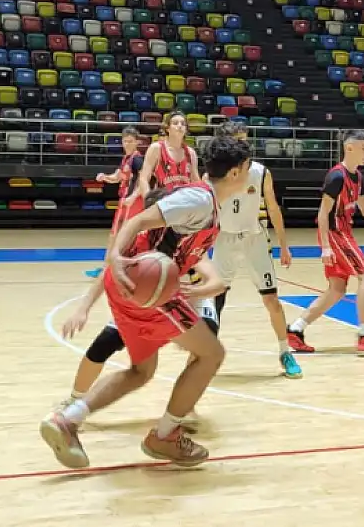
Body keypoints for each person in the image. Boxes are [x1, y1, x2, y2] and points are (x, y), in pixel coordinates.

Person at [41, 134, 253, 468]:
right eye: (249, 167)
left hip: (132, 288)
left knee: (142, 371)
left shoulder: (207, 206)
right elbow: (138, 219)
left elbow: (200, 264)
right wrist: (114, 255)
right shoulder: (199, 199)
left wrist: (203, 288)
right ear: (236, 172)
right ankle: (165, 436)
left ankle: (67, 420)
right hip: (146, 288)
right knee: (212, 353)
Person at [286, 131, 364, 353]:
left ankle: (296, 329)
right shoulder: (337, 176)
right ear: (349, 148)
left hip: (343, 233)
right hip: (334, 234)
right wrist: (326, 247)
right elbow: (323, 214)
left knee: (337, 289)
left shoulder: (358, 178)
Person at [210, 119, 303, 378]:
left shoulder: (260, 172)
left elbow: (273, 208)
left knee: (271, 299)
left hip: (254, 238)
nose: (244, 143)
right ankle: (205, 356)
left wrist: (284, 245)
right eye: (239, 139)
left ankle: (285, 352)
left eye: (245, 138)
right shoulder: (216, 174)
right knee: (216, 300)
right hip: (225, 239)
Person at [84, 126, 145, 280]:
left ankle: (110, 268)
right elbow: (117, 177)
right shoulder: (126, 159)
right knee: (118, 234)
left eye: (131, 141)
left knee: (122, 235)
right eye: (125, 141)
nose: (127, 144)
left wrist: (134, 196)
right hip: (125, 200)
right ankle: (112, 267)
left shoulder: (137, 159)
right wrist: (105, 177)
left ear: (137, 142)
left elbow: (144, 181)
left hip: (133, 201)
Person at [134, 111, 197, 198]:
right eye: (175, 123)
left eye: (183, 124)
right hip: (163, 203)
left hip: (185, 204)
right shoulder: (156, 148)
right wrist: (148, 200)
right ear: (167, 128)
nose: (180, 126)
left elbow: (196, 182)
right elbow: (144, 178)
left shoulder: (191, 153)